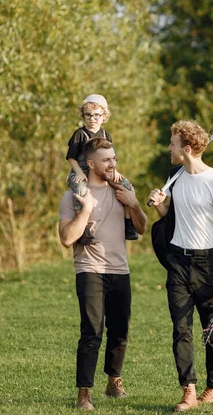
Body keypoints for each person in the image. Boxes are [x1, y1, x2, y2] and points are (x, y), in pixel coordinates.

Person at [148, 120, 213, 412]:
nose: (168, 148)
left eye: (172, 143)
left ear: (186, 148)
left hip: (208, 263)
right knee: (180, 328)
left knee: (211, 328)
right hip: (178, 261)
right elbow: (172, 214)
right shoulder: (176, 176)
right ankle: (188, 390)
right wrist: (161, 204)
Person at [59, 137, 147, 411]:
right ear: (90, 163)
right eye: (106, 160)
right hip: (90, 270)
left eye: (114, 159)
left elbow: (142, 228)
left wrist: (133, 203)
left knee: (120, 331)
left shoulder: (122, 189)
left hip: (120, 269)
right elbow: (66, 238)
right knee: (92, 332)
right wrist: (85, 210)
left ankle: (114, 380)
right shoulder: (73, 196)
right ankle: (84, 393)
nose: (113, 164)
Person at [66, 93, 138, 240]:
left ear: (104, 116)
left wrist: (115, 171)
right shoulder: (80, 134)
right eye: (88, 115)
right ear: (83, 116)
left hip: (104, 170)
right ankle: (83, 228)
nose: (92, 119)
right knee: (81, 190)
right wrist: (79, 173)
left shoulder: (106, 135)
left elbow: (111, 156)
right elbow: (71, 158)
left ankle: (127, 223)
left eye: (97, 115)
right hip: (81, 170)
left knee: (126, 186)